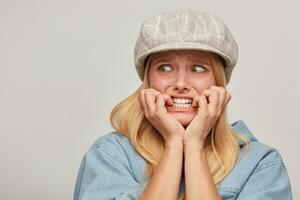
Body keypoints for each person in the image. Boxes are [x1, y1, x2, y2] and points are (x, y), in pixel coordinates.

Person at [73, 9, 293, 200]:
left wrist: (194, 144)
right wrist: (174, 142)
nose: (180, 83)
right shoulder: (110, 155)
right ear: (148, 81)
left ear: (219, 83)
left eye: (198, 68)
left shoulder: (260, 164)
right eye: (165, 68)